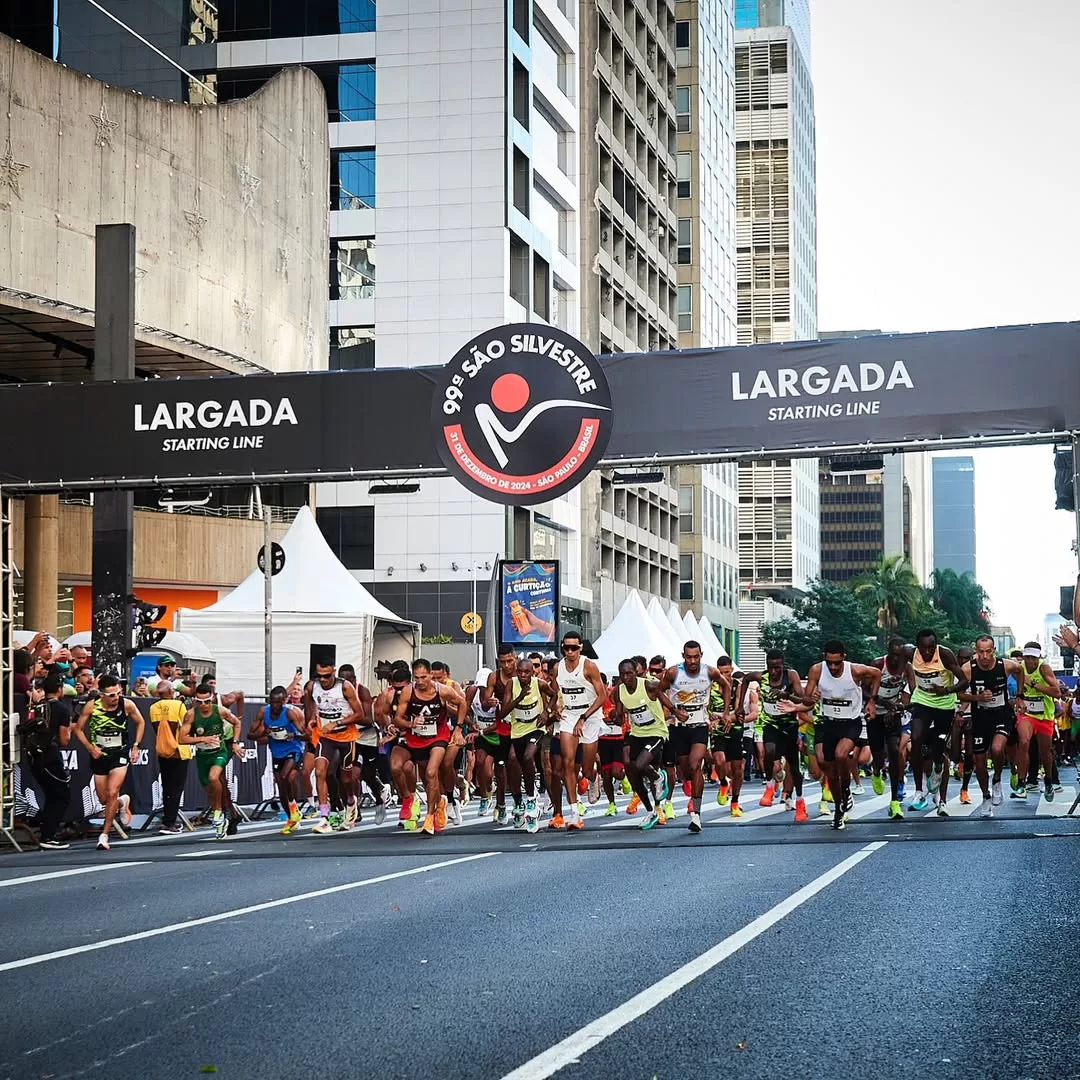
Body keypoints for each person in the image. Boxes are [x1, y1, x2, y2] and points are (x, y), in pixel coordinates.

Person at [801, 641, 881, 831]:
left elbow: (877, 674)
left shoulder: (855, 671)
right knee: (825, 765)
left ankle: (845, 791)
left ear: (843, 658)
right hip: (827, 722)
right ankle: (839, 805)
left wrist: (872, 701)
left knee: (840, 755)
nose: (833, 667)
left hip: (850, 723)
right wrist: (810, 698)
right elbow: (805, 699)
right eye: (829, 662)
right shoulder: (816, 670)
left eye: (837, 663)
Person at [659, 641, 731, 833]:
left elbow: (727, 686)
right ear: (683, 656)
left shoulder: (709, 672)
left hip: (700, 724)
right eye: (689, 657)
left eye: (696, 656)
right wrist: (674, 709)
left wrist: (725, 712)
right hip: (679, 726)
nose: (692, 661)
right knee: (685, 770)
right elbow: (658, 690)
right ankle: (693, 794)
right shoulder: (674, 672)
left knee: (694, 764)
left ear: (701, 655)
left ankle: (696, 815)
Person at [395, 658, 467, 836]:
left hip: (438, 736)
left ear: (430, 675)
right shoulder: (407, 691)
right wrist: (411, 723)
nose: (420, 681)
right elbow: (397, 718)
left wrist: (458, 729)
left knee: (431, 772)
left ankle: (430, 817)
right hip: (416, 738)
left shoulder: (442, 691)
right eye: (417, 677)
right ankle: (437, 802)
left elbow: (462, 703)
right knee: (401, 767)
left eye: (424, 677)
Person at [73, 673, 144, 851]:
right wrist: (90, 748)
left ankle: (104, 836)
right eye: (111, 695)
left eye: (118, 693)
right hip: (99, 754)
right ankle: (122, 803)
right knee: (104, 798)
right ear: (102, 694)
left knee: (112, 791)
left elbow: (141, 722)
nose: (116, 698)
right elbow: (78, 729)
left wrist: (135, 746)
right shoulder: (92, 706)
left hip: (119, 752)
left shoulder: (126, 704)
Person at [735, 649, 807, 820]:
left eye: (777, 667)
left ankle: (800, 803)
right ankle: (770, 785)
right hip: (770, 724)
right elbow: (745, 679)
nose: (774, 672)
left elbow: (804, 700)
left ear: (783, 665)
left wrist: (786, 695)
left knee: (793, 766)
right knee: (768, 752)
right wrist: (739, 707)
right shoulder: (762, 676)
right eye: (771, 667)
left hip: (788, 724)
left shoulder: (791, 676)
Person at [958, 635, 1025, 817]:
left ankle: (996, 779)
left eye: (988, 651)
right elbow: (960, 695)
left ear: (994, 650)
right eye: (981, 652)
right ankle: (986, 795)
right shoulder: (968, 669)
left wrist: (1019, 695)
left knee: (997, 748)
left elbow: (1020, 671)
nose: (985, 656)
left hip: (1001, 714)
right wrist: (977, 698)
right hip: (980, 717)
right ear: (976, 652)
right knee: (979, 762)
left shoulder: (1006, 665)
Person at [551, 631, 608, 831]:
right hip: (569, 715)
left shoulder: (589, 666)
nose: (570, 651)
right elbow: (554, 692)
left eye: (574, 647)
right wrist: (555, 707)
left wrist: (584, 717)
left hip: (590, 716)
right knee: (567, 762)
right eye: (566, 647)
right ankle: (574, 812)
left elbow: (602, 696)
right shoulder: (558, 668)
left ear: (580, 647)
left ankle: (592, 777)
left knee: (585, 766)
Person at [908, 629, 969, 812]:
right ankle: (919, 790)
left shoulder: (944, 654)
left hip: (943, 704)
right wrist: (911, 686)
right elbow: (898, 665)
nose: (927, 652)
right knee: (916, 738)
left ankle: (939, 767)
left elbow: (964, 681)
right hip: (922, 700)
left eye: (931, 647)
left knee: (939, 746)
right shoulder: (909, 653)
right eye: (923, 648)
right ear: (917, 646)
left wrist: (947, 690)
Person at [306, 659, 369, 834]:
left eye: (327, 676)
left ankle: (351, 801)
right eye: (320, 676)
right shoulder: (313, 686)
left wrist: (337, 723)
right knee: (320, 772)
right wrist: (312, 717)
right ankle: (324, 817)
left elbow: (360, 714)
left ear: (334, 672)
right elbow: (311, 703)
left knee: (346, 779)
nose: (323, 680)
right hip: (324, 735)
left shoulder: (345, 687)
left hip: (345, 737)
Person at [614, 659, 675, 831]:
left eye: (629, 673)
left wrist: (676, 711)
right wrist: (614, 716)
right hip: (637, 733)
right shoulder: (619, 691)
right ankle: (650, 811)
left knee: (641, 764)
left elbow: (663, 698)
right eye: (622, 674)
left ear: (636, 673)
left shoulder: (648, 685)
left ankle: (658, 778)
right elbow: (619, 717)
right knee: (632, 771)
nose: (626, 678)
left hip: (656, 732)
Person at [179, 684, 244, 839]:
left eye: (207, 701)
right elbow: (181, 739)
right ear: (195, 701)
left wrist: (235, 742)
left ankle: (219, 812)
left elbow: (237, 723)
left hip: (219, 752)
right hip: (203, 755)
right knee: (209, 789)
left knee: (214, 777)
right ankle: (220, 819)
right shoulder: (191, 715)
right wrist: (202, 739)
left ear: (213, 698)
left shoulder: (220, 711)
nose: (204, 706)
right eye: (200, 702)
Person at [501, 656, 558, 833]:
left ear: (533, 672)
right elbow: (503, 711)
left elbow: (554, 694)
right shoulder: (511, 684)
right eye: (521, 672)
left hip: (536, 727)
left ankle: (532, 799)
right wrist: (519, 698)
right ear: (516, 672)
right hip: (518, 729)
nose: (524, 675)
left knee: (528, 756)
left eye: (527, 672)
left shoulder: (539, 683)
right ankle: (520, 800)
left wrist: (547, 712)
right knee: (516, 762)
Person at [18, 671, 72, 849]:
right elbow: (64, 740)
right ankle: (48, 836)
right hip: (49, 756)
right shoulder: (62, 708)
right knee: (61, 795)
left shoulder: (37, 706)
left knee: (52, 794)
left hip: (31, 755)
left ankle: (47, 833)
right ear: (60, 688)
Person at [249, 685, 308, 834]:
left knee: (287, 776)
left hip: (293, 749)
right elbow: (251, 735)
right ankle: (292, 819)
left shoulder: (290, 713)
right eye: (273, 702)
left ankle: (295, 809)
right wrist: (267, 733)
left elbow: (307, 735)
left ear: (285, 701)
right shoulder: (264, 712)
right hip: (276, 752)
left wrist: (293, 735)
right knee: (281, 786)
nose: (275, 706)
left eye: (279, 703)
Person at [867, 638, 914, 819]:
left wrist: (901, 706)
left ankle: (895, 801)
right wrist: (880, 701)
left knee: (895, 752)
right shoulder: (878, 664)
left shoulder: (907, 668)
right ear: (888, 653)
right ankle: (877, 769)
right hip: (874, 714)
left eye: (900, 656)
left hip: (893, 714)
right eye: (893, 655)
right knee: (878, 754)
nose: (896, 660)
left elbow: (914, 691)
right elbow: (862, 690)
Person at [1013, 642, 1063, 801]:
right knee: (1024, 741)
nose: (1030, 661)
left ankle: (1048, 780)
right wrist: (1019, 698)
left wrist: (1033, 683)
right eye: (1027, 657)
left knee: (1045, 751)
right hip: (1027, 714)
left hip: (1044, 715)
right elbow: (1020, 689)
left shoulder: (1044, 668)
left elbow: (1057, 692)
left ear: (1038, 657)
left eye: (1033, 658)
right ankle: (1021, 783)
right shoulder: (1019, 668)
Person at [149, 680, 192, 834]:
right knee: (176, 787)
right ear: (170, 692)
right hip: (179, 751)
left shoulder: (153, 708)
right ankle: (169, 822)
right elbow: (187, 725)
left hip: (162, 750)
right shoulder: (178, 705)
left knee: (166, 786)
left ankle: (167, 819)